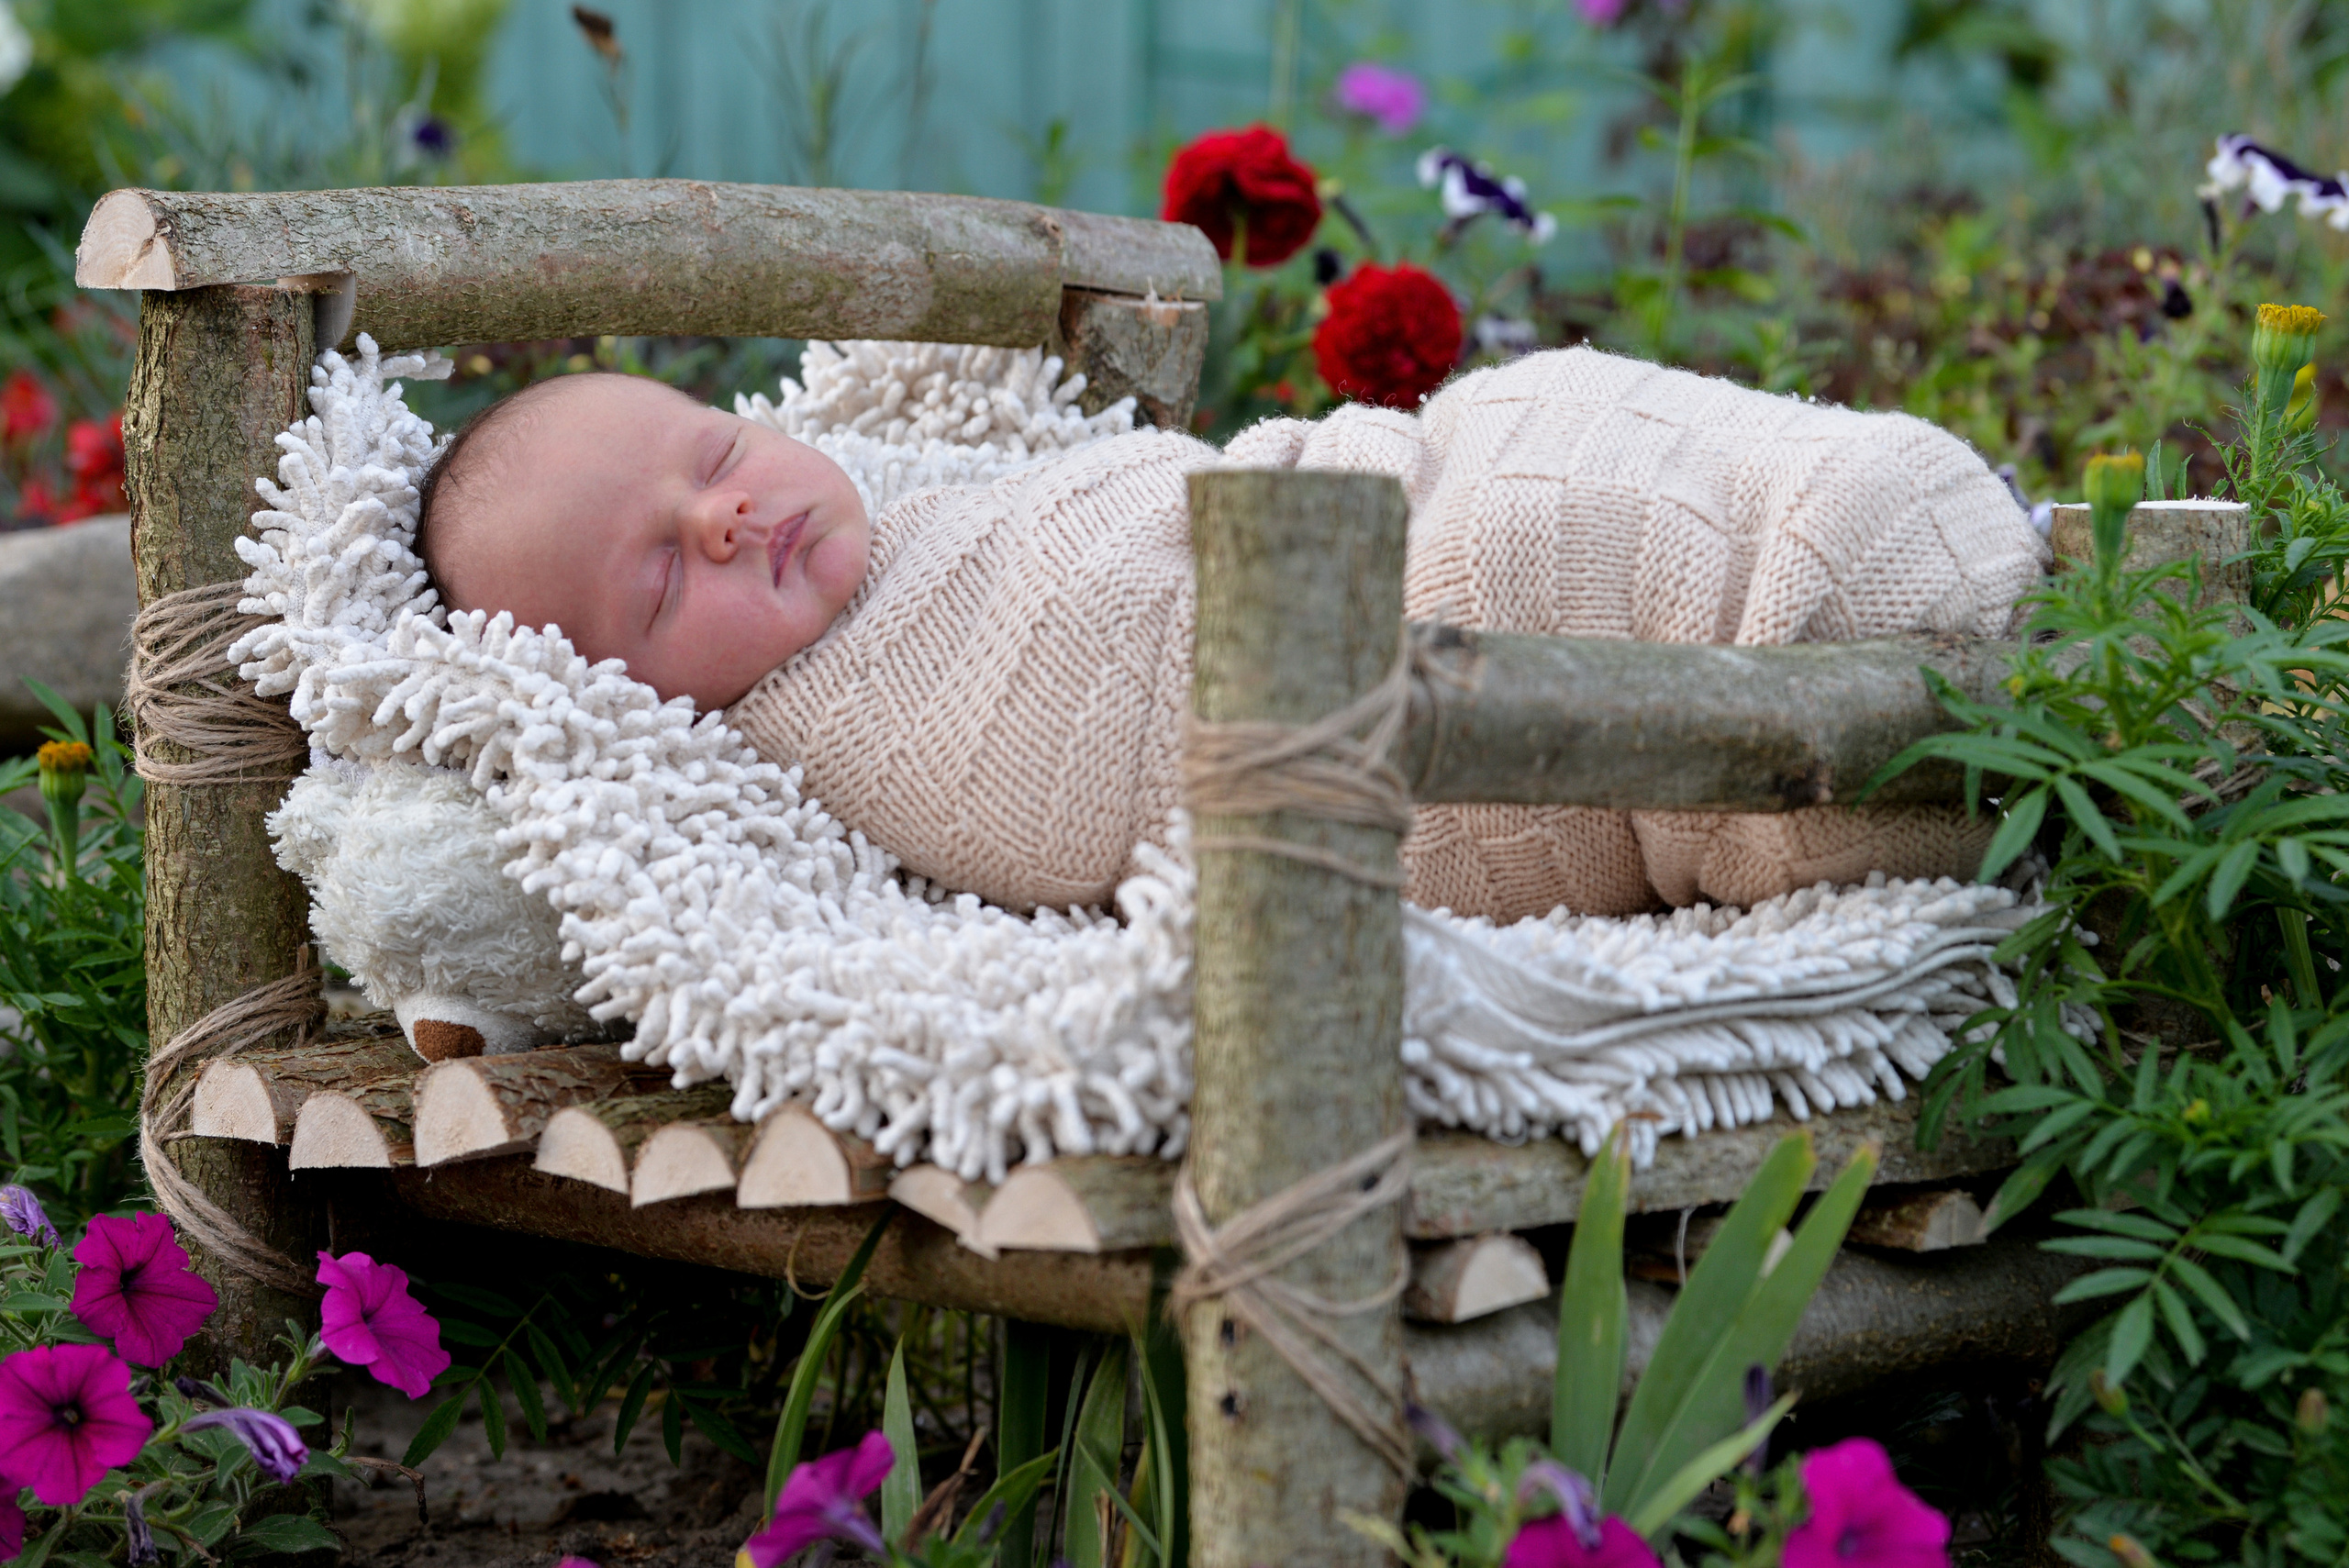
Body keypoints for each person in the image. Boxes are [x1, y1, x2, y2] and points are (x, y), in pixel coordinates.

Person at [415, 346, 2045, 920]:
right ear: (603, 686)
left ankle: (1845, 546)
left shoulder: (943, 512)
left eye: (714, 452)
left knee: (1541, 446)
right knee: (1536, 563)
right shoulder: (825, 736)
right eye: (655, 584)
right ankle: (1838, 664)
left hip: (1388, 500)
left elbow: (1163, 507)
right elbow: (1069, 789)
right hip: (1365, 664)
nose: (723, 516)